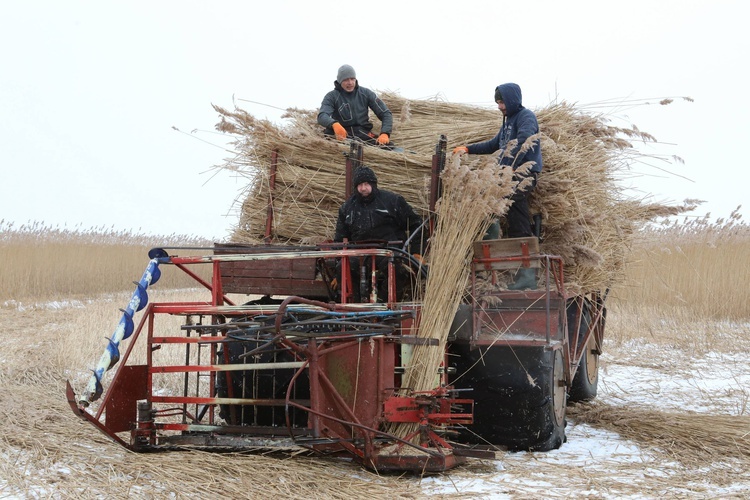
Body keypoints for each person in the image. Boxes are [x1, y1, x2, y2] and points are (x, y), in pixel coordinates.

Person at [453, 82, 543, 290]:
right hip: (509, 176)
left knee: (491, 206)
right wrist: (468, 149)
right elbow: (495, 145)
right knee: (518, 223)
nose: (499, 106)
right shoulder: (508, 122)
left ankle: (492, 260)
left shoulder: (526, 117)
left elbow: (523, 141)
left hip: (523, 174)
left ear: (511, 100)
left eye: (501, 102)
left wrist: (504, 162)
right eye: (498, 103)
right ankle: (526, 277)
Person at [334, 165, 426, 301]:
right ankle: (355, 307)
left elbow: (417, 225)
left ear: (373, 184)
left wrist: (417, 253)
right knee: (344, 268)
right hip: (359, 253)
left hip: (389, 251)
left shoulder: (392, 201)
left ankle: (386, 306)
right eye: (359, 185)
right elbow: (340, 238)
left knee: (397, 270)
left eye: (366, 184)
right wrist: (338, 271)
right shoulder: (347, 208)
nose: (363, 188)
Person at [317, 64, 394, 147]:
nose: (350, 83)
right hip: (341, 135)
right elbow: (322, 116)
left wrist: (385, 133)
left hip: (362, 134)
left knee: (387, 147)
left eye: (352, 79)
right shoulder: (331, 96)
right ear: (339, 81)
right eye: (346, 80)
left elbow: (385, 113)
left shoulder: (366, 93)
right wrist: (334, 124)